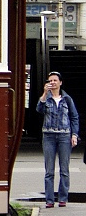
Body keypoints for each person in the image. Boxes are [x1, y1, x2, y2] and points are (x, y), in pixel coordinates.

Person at [37, 71, 79, 207]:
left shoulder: (67, 99)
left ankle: (63, 198)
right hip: (48, 136)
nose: (53, 83)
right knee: (49, 170)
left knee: (64, 169)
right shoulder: (46, 98)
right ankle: (49, 200)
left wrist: (74, 135)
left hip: (64, 136)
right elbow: (39, 110)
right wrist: (44, 94)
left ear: (60, 83)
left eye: (55, 80)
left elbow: (74, 117)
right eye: (50, 81)